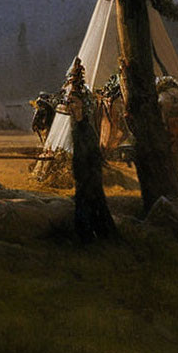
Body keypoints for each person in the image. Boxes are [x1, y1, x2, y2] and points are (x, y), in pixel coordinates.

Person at [60, 57, 117, 242]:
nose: (71, 106)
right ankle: (86, 235)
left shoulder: (86, 128)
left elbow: (91, 153)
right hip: (81, 172)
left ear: (83, 105)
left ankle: (95, 234)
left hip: (90, 172)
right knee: (83, 201)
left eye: (75, 103)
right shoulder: (75, 126)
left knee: (92, 201)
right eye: (70, 103)